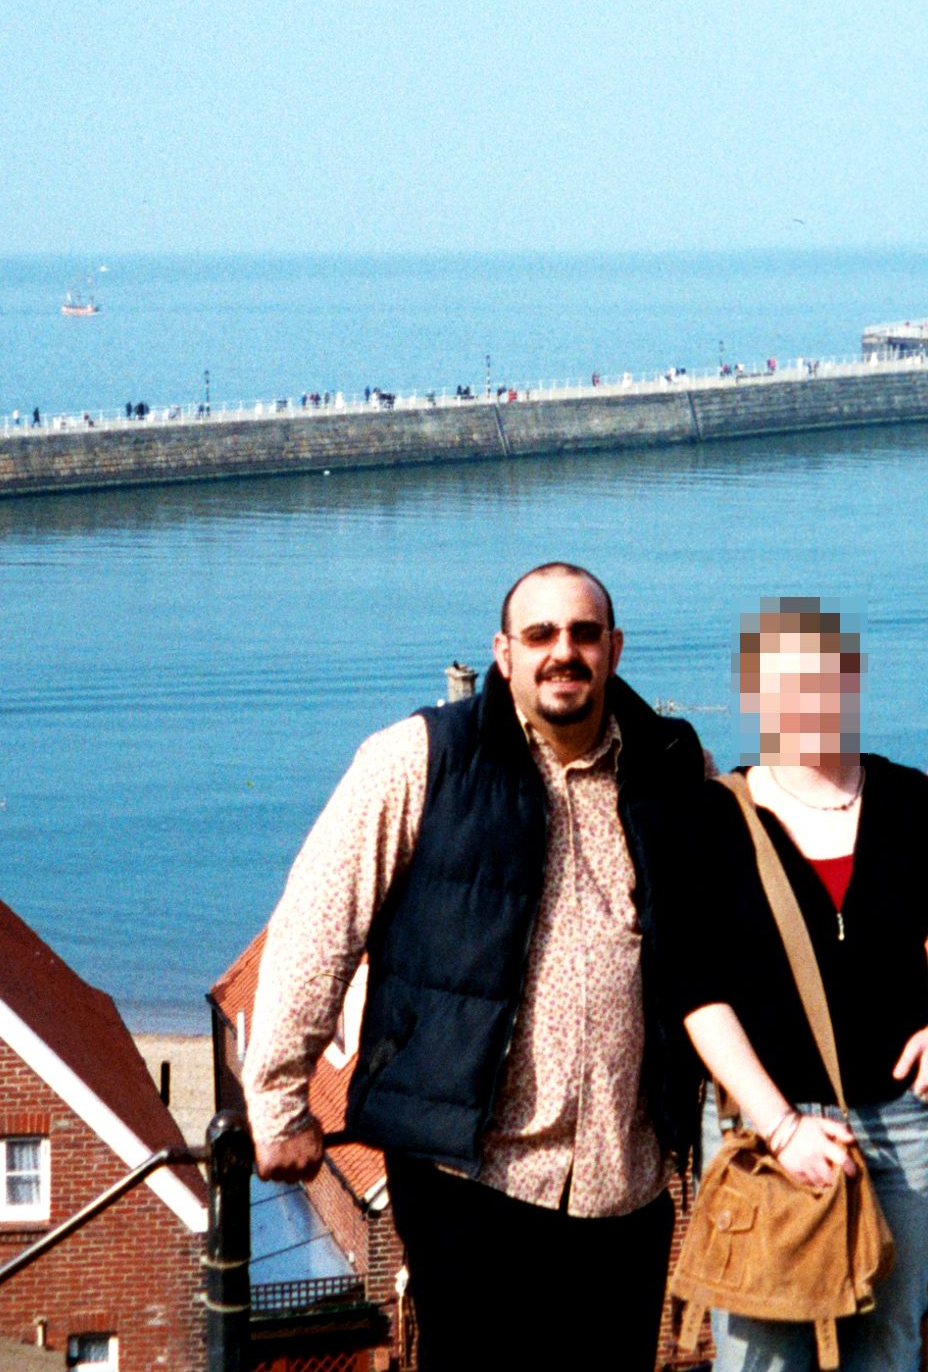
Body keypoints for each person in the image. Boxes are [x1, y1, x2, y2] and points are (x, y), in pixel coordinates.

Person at [244, 562, 712, 1371]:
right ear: (503, 653)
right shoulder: (420, 758)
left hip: (625, 1182)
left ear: (614, 648)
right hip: (471, 1176)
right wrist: (278, 1098)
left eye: (583, 634)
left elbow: (722, 931)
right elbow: (319, 922)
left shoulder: (672, 766)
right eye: (540, 635)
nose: (562, 653)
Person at [665, 598, 928, 1372]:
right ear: (754, 696)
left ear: (853, 686)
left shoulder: (915, 806)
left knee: (888, 1348)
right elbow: (698, 994)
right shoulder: (715, 821)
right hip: (762, 1136)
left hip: (901, 1125)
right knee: (759, 1357)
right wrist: (783, 1127)